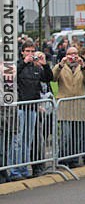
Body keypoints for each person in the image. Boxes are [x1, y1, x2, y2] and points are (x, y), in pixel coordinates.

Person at [9, 41, 53, 180]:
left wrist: (44, 64)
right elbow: (10, 76)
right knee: (18, 140)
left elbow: (48, 78)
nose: (30, 54)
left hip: (32, 107)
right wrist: (24, 62)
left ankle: (24, 168)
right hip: (20, 107)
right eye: (27, 51)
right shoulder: (17, 65)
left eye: (32, 51)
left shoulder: (37, 67)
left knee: (28, 140)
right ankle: (15, 170)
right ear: (22, 52)